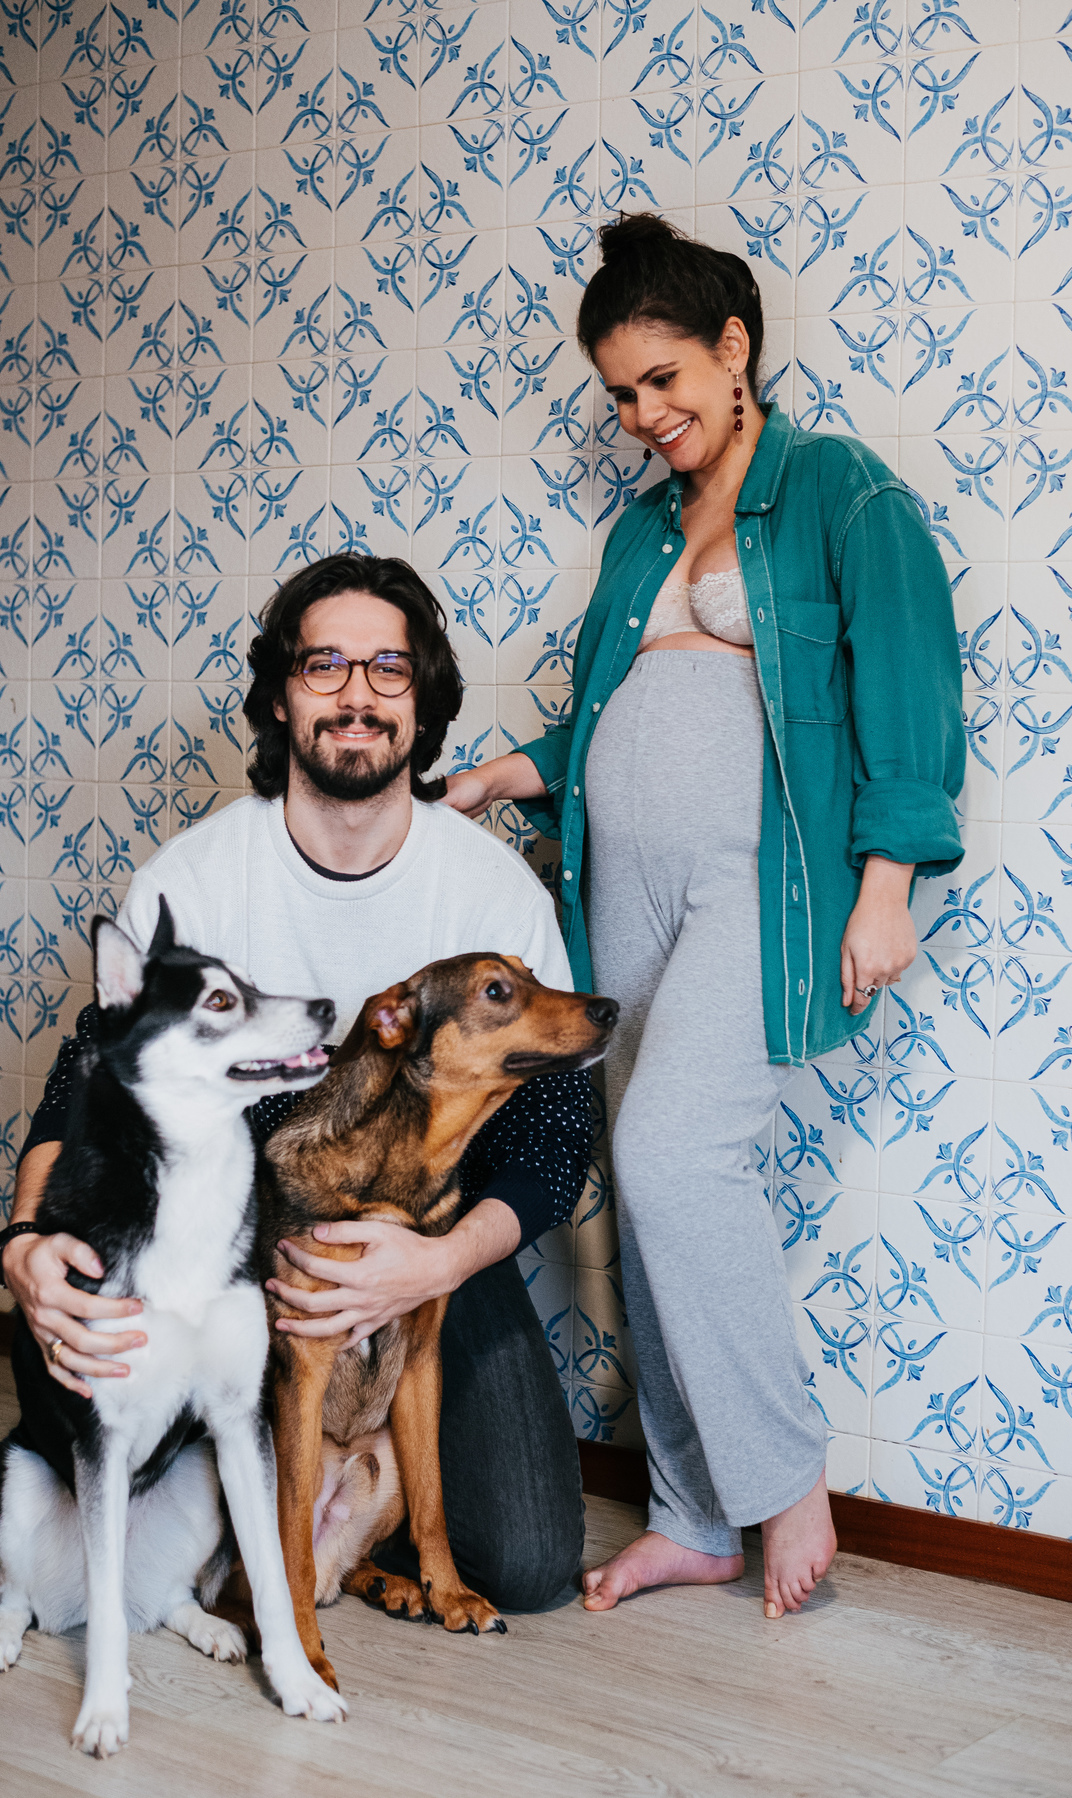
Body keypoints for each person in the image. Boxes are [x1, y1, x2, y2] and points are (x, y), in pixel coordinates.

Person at [444, 215, 965, 1620]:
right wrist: (505, 775)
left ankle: (782, 1475)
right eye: (621, 392)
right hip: (617, 884)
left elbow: (908, 685)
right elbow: (608, 716)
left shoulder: (841, 491)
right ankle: (690, 1513)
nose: (642, 414)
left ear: (735, 350)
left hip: (761, 880)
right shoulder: (642, 532)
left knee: (677, 1157)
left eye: (662, 378)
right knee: (643, 1188)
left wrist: (887, 882)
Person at [0, 554, 593, 1612]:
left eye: (388, 669)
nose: (357, 694)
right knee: (86, 1332)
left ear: (422, 702)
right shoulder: (191, 880)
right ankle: (195, 1500)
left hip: (433, 1239)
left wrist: (434, 1262)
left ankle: (334, 1514)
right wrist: (24, 1246)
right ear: (282, 695)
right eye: (325, 665)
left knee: (532, 1558)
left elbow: (555, 1134)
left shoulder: (492, 892)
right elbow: (84, 1090)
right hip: (232, 1240)